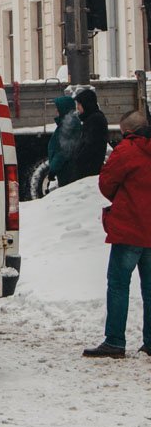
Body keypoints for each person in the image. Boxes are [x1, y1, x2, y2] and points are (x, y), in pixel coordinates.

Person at [82, 110, 151, 358]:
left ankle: (115, 341)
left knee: (119, 286)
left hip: (129, 229)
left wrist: (122, 198)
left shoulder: (127, 150)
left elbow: (106, 182)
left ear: (128, 132)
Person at [48, 95, 83, 188]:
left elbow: (63, 151)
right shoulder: (67, 122)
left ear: (63, 108)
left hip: (67, 169)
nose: (56, 111)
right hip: (67, 168)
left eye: (57, 108)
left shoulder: (69, 124)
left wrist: (53, 169)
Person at [74, 88, 109, 179]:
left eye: (79, 104)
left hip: (90, 169)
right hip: (89, 167)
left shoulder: (94, 120)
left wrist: (78, 159)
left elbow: (90, 145)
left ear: (86, 104)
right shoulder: (91, 118)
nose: (77, 107)